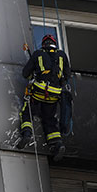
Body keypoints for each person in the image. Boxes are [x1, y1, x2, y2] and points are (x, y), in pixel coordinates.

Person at [18, 33, 72, 161]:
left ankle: (26, 134)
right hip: (54, 94)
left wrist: (34, 75)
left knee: (26, 112)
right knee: (49, 119)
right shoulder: (62, 55)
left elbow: (25, 73)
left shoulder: (37, 54)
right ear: (54, 44)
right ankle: (57, 144)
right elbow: (67, 76)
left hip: (39, 90)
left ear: (43, 44)